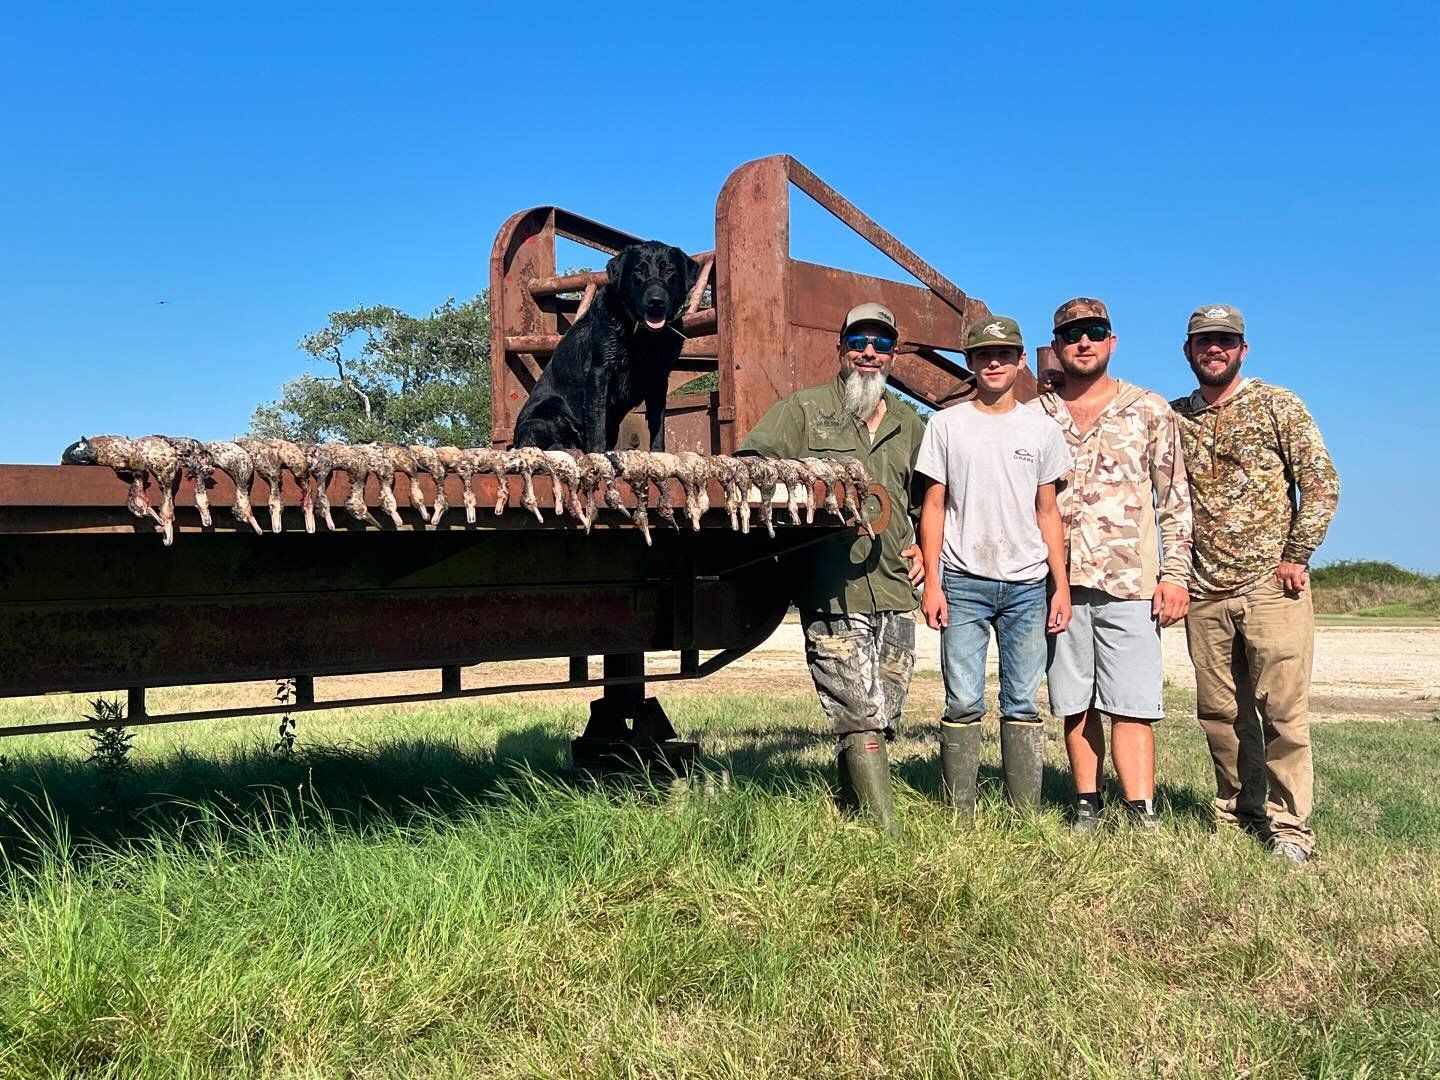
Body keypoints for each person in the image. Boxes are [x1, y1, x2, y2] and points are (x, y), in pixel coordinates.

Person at [740, 302, 926, 835]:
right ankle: (886, 834)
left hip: (895, 587)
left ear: (894, 354)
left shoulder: (910, 423)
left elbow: (928, 500)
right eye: (858, 342)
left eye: (881, 344)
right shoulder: (804, 410)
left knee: (884, 713)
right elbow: (749, 469)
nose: (869, 352)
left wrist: (925, 548)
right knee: (857, 709)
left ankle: (853, 814)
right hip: (830, 587)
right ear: (839, 348)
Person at [1170, 304, 1340, 864]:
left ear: (1242, 349)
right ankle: (1237, 813)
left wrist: (1297, 553)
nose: (1214, 349)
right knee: (1220, 715)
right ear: (1188, 351)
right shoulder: (1173, 418)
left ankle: (1289, 829)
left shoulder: (1277, 404)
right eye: (1204, 341)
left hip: (1272, 587)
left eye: (1225, 340)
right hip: (1204, 591)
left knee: (1282, 713)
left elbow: (1321, 483)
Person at [1034, 298, 1193, 831]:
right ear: (1057, 346)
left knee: (1133, 703)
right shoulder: (1036, 416)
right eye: (1072, 333)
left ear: (1112, 341)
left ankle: (1139, 809)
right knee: (1074, 702)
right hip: (1057, 585)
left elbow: (1175, 500)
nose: (1084, 341)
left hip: (1130, 583)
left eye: (1095, 331)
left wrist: (1175, 575)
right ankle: (1087, 803)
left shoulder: (1149, 410)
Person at [916, 316, 1071, 813]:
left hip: (1027, 584)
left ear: (1021, 361)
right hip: (963, 581)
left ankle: (1024, 813)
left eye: (1004, 354)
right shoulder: (946, 425)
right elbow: (934, 507)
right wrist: (933, 584)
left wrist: (1060, 586)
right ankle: (960, 811)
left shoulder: (1042, 429)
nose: (995, 363)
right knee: (963, 700)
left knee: (1022, 701)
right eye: (984, 354)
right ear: (970, 362)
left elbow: (1048, 512)